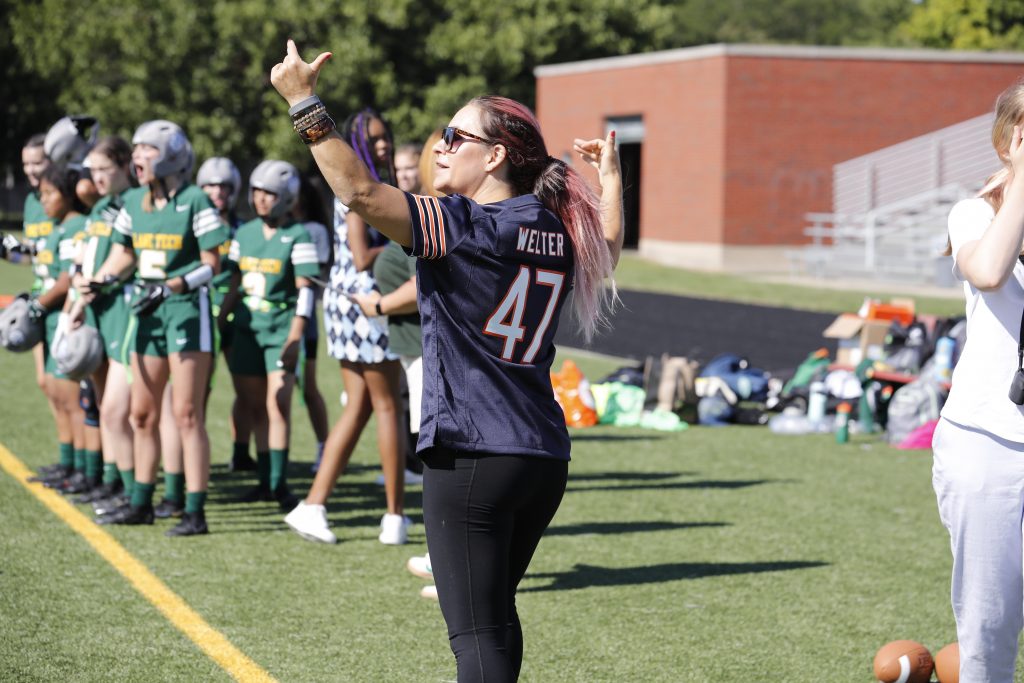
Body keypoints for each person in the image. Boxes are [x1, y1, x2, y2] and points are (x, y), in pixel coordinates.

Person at [272, 40, 623, 681]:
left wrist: (304, 103)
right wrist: (613, 181)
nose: (440, 145)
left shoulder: (467, 224)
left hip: (473, 454)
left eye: (456, 137)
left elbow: (358, 192)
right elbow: (608, 242)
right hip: (542, 456)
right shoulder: (549, 226)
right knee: (495, 624)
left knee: (479, 641)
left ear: (494, 157)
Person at [87, 120, 228, 536]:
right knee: (142, 414)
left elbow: (211, 264)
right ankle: (141, 502)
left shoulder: (195, 200)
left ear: (170, 154)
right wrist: (99, 279)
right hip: (145, 311)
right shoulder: (132, 201)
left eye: (146, 150)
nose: (137, 158)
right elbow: (121, 256)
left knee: (186, 414)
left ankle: (194, 511)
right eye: (135, 150)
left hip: (185, 310)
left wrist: (173, 285)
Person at [932, 81, 1024, 681]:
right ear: (1008, 140)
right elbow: (990, 270)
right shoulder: (974, 213)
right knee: (988, 629)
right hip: (987, 441)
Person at [284, 107, 409, 546]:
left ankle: (313, 505)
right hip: (364, 301)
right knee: (388, 405)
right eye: (372, 138)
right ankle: (394, 518)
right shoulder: (359, 186)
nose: (381, 144)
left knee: (359, 408)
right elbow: (360, 255)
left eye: (384, 136)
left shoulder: (365, 183)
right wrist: (410, 237)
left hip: (347, 303)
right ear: (356, 143)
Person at [218, 160, 320, 509]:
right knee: (255, 407)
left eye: (270, 193)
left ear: (287, 197)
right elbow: (233, 284)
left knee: (278, 406)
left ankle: (279, 484)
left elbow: (306, 291)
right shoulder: (243, 234)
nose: (262, 199)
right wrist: (220, 321)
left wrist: (295, 338)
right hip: (246, 329)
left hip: (280, 330)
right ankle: (263, 481)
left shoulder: (300, 235)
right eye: (258, 191)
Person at [66, 136, 137, 507]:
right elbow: (85, 254)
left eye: (102, 169)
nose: (95, 178)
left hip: (121, 310)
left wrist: (95, 283)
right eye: (91, 170)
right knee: (100, 401)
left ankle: (130, 488)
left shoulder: (132, 204)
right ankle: (112, 480)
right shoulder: (99, 208)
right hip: (96, 308)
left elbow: (129, 257)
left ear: (124, 165)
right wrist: (78, 291)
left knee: (116, 410)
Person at [196, 156, 257, 474]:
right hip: (201, 314)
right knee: (197, 390)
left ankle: (240, 452)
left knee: (245, 389)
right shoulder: (192, 224)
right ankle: (193, 452)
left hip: (235, 315)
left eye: (224, 186)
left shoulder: (242, 229)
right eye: (211, 185)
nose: (218, 191)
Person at [293, 175, 331, 472]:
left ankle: (324, 447)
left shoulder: (313, 230)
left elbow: (310, 274)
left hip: (303, 319)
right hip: (273, 317)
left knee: (308, 387)